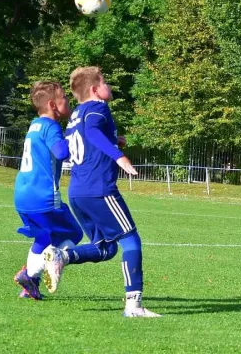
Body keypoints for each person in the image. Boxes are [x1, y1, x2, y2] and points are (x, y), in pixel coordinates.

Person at [42, 66, 161, 318]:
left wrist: (113, 140)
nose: (109, 86)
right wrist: (119, 157)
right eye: (105, 82)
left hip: (78, 192)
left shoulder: (76, 114)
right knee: (131, 240)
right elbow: (93, 132)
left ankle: (62, 255)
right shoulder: (99, 108)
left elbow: (83, 139)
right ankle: (134, 305)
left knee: (106, 248)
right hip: (99, 189)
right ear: (95, 89)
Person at [13, 81, 84, 300]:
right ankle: (31, 274)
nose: (69, 101)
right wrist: (82, 137)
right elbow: (61, 151)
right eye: (65, 98)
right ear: (53, 105)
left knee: (43, 238)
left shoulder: (35, 124)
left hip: (22, 195)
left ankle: (29, 286)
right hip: (43, 196)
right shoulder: (51, 126)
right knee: (74, 233)